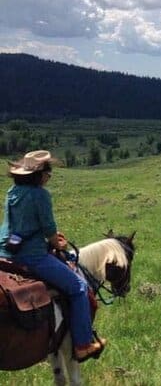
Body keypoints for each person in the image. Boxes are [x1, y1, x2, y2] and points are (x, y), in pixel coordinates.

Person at [0, 150, 105, 362]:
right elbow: (49, 229)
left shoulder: (12, 192)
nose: (49, 176)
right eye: (48, 172)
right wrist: (58, 242)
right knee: (78, 287)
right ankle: (83, 344)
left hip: (5, 253)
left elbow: (17, 226)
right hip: (32, 256)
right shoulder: (40, 195)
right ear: (40, 175)